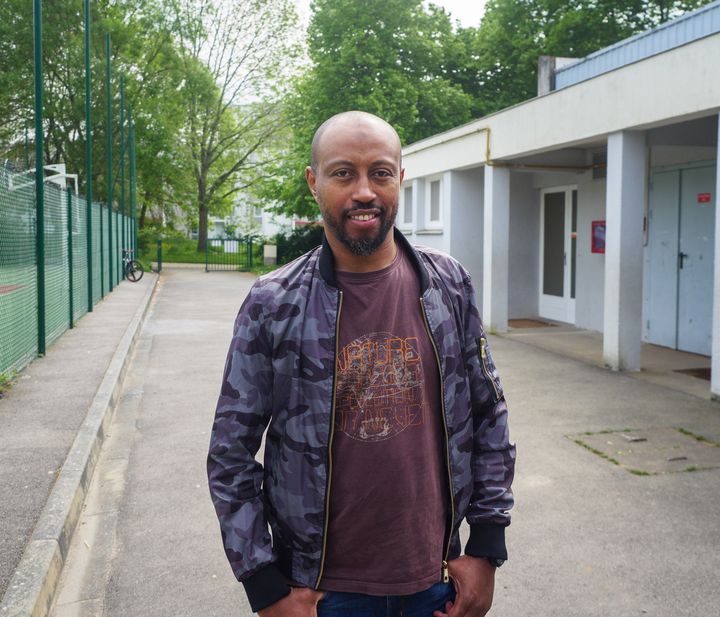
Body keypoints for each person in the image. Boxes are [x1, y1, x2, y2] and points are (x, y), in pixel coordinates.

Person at [207, 111, 515, 617]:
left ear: (400, 176)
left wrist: (486, 547)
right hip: (323, 595)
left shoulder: (449, 286)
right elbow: (230, 454)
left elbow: (489, 416)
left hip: (437, 583)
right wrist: (264, 585)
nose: (364, 191)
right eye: (343, 172)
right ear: (314, 182)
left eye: (380, 172)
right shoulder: (273, 303)